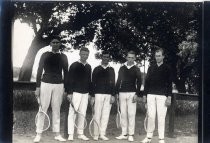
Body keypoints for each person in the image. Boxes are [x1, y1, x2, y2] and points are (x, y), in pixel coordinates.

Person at [34, 35, 68, 142]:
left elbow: (66, 73)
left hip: (59, 85)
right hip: (45, 83)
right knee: (42, 108)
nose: (55, 44)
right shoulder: (45, 55)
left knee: (56, 109)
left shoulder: (64, 56)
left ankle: (57, 134)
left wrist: (66, 89)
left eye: (57, 42)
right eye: (53, 42)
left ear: (60, 44)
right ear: (50, 44)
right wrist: (37, 87)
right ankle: (39, 133)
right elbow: (39, 70)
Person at [141, 48, 172, 143]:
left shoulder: (167, 68)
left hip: (162, 96)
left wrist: (169, 97)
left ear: (163, 56)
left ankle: (161, 138)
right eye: (156, 56)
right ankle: (149, 137)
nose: (157, 58)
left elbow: (169, 83)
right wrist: (145, 95)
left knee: (161, 117)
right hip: (150, 95)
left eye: (159, 56)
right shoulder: (151, 68)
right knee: (151, 116)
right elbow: (147, 83)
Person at [115, 50, 142, 142]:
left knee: (131, 114)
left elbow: (139, 82)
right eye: (129, 57)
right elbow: (118, 81)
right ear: (126, 58)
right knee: (123, 114)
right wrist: (116, 93)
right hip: (122, 93)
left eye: (132, 57)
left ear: (134, 58)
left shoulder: (136, 69)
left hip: (132, 93)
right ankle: (124, 134)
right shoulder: (122, 68)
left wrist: (137, 94)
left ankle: (131, 134)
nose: (130, 59)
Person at [66, 47, 91, 141]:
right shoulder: (74, 65)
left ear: (88, 55)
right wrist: (69, 93)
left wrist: (89, 93)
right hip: (75, 93)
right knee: (72, 113)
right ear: (79, 54)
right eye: (83, 54)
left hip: (85, 94)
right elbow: (69, 80)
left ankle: (80, 133)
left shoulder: (89, 66)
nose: (84, 56)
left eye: (86, 55)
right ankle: (70, 134)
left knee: (82, 113)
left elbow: (89, 81)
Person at [90, 51, 115, 141]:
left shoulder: (111, 69)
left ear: (109, 58)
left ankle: (102, 134)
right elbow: (93, 83)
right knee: (97, 114)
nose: (106, 58)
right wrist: (92, 96)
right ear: (102, 57)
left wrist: (113, 95)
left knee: (105, 115)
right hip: (98, 94)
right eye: (104, 56)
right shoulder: (96, 69)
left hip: (108, 95)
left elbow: (113, 83)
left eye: (107, 57)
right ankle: (96, 134)